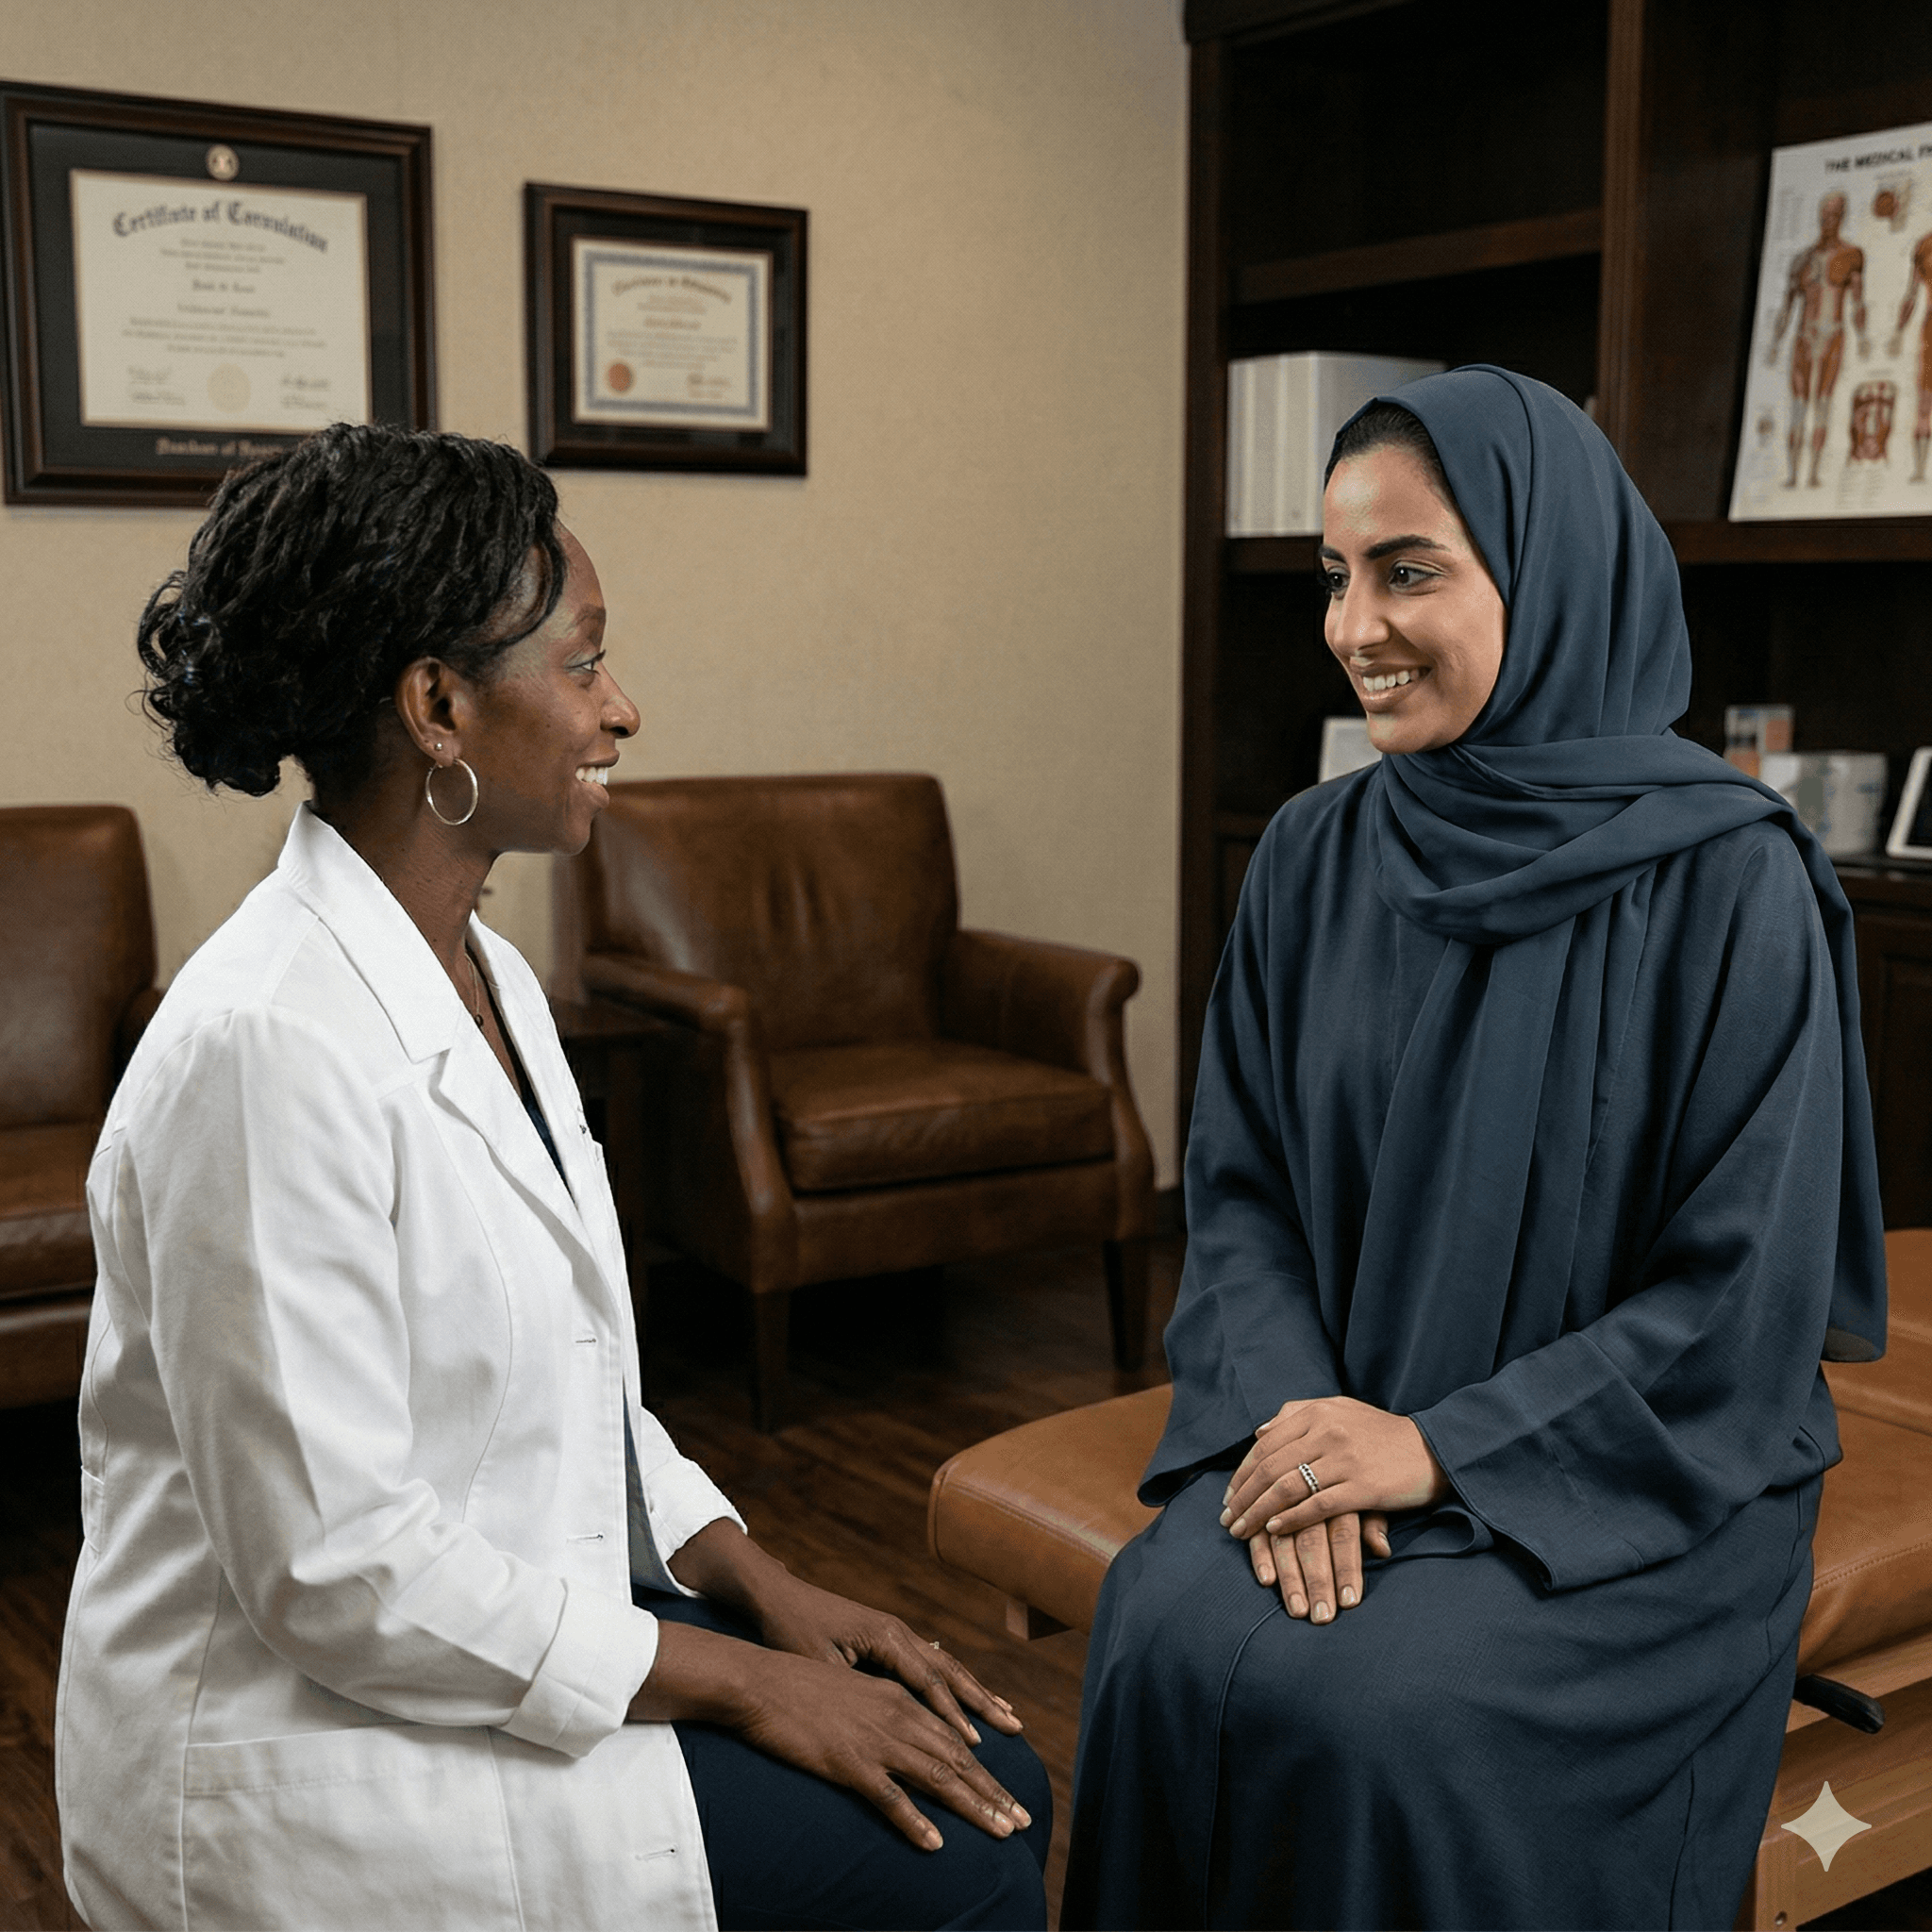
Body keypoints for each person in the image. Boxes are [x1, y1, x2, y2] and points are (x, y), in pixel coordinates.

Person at [57, 423, 1050, 1932]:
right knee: (960, 1859)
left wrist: (761, 1581)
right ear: (439, 706)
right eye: (584, 665)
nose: (622, 708)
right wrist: (742, 1682)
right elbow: (334, 1571)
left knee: (996, 1772)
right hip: (309, 1741)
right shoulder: (262, 1048)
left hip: (473, 1621)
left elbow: (571, 1378)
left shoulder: (492, 978)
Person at [1062, 365, 1886, 1931]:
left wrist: (1441, 1450)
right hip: (1341, 1419)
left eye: (1409, 570)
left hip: (1636, 1478)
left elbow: (1738, 1296)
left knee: (1391, 1713)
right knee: (1158, 1630)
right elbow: (1241, 1196)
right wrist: (1303, 1426)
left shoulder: (1733, 881)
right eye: (1334, 576)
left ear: (1552, 570)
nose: (1351, 625)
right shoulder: (1312, 856)